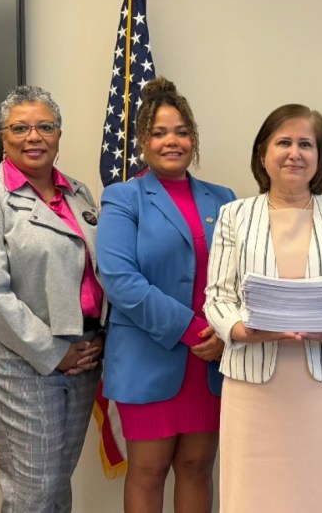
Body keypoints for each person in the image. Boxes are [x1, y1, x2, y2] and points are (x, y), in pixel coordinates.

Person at [203, 103, 322, 512]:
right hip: (255, 383)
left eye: (306, 144)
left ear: (320, 157)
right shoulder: (234, 215)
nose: (294, 153)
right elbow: (218, 296)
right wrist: (241, 331)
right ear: (263, 153)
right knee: (256, 494)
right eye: (283, 142)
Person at [0, 85, 106, 513]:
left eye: (45, 126)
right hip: (15, 354)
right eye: (19, 128)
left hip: (83, 353)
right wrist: (53, 352)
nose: (33, 137)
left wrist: (99, 335)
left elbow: (95, 272)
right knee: (33, 487)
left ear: (59, 134)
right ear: (3, 137)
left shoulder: (79, 193)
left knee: (56, 481)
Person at [96, 77, 235, 513]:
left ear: (194, 139)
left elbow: (240, 276)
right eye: (159, 133)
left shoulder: (224, 199)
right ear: (143, 141)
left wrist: (226, 335)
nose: (171, 141)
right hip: (148, 358)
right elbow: (120, 280)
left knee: (197, 467)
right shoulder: (123, 197)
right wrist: (193, 332)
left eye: (181, 132)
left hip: (210, 362)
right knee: (148, 471)